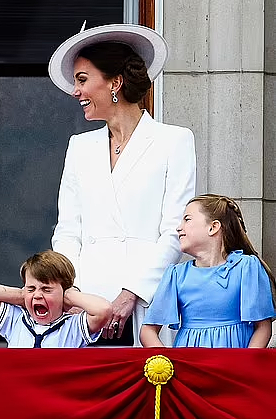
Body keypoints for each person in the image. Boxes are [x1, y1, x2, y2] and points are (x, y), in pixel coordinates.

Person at [48, 24, 197, 346]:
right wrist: (71, 292)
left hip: (147, 299)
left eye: (83, 80)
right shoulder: (80, 146)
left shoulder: (174, 141)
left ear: (115, 82)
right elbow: (68, 230)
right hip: (85, 302)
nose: (76, 92)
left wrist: (133, 292)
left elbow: (175, 230)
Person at [140, 195, 275, 348]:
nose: (179, 227)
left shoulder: (246, 267)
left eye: (187, 219)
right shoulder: (176, 275)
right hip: (190, 367)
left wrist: (244, 366)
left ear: (213, 227)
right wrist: (168, 365)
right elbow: (147, 331)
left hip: (233, 366)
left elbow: (263, 328)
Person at [0, 250, 111, 348]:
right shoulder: (15, 320)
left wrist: (69, 295)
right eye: (31, 288)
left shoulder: (73, 327)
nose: (37, 295)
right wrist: (21, 296)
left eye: (46, 289)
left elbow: (104, 310)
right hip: (19, 392)